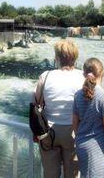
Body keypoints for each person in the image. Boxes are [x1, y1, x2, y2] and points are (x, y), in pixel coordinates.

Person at [33, 39, 84, 178]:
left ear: (57, 58)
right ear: (75, 57)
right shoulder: (83, 77)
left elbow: (35, 103)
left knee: (50, 174)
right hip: (74, 132)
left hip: (48, 132)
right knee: (73, 174)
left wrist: (35, 132)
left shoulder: (46, 76)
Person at [72, 58, 104, 178]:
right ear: (102, 74)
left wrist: (81, 138)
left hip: (81, 146)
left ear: (84, 74)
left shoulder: (78, 95)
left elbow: (74, 123)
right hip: (96, 149)